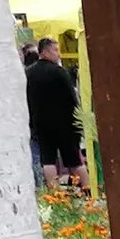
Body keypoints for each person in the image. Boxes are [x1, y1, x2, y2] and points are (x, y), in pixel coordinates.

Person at [24, 36, 82, 186]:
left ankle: (54, 194)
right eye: (55, 50)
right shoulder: (59, 72)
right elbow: (72, 98)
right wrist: (78, 122)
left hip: (41, 124)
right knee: (74, 160)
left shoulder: (29, 73)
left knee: (48, 160)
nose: (59, 54)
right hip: (65, 123)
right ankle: (88, 192)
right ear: (45, 52)